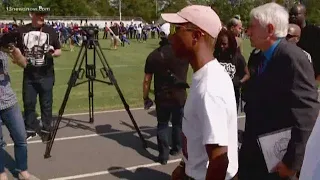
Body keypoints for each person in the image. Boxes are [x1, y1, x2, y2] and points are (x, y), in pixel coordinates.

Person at [239, 3, 319, 180]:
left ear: (269, 29)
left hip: (277, 163)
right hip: (256, 157)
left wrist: (292, 163)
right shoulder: (260, 56)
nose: (247, 31)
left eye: (252, 26)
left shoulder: (292, 58)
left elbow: (306, 113)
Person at [161, 5, 238, 180]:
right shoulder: (206, 76)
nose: (171, 37)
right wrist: (184, 165)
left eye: (177, 29)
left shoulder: (209, 88)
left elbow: (219, 161)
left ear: (196, 36)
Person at [143, 23, 189, 165]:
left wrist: (145, 97)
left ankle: (163, 156)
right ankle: (176, 148)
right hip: (179, 95)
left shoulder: (153, 55)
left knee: (162, 125)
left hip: (162, 96)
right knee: (177, 124)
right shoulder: (183, 53)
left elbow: (146, 80)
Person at [15, 8, 61, 142]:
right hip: (29, 75)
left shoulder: (50, 30)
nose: (42, 17)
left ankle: (46, 129)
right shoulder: (22, 31)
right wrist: (19, 59)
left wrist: (52, 53)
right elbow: (18, 51)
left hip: (46, 74)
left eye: (44, 15)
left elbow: (59, 50)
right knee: (28, 103)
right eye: (39, 14)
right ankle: (30, 129)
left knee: (46, 104)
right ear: (31, 15)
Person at [0, 45, 39, 179]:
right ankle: (1, 173)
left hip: (9, 100)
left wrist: (15, 52)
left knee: (21, 137)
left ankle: (23, 171)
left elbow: (23, 64)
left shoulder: (3, 46)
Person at [214, 28, 249, 111]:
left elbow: (247, 74)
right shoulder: (215, 57)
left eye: (224, 44)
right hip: (217, 97)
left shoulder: (238, 57)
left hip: (233, 97)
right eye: (220, 44)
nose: (222, 46)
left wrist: (239, 82)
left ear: (230, 43)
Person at [289, 4, 320, 83]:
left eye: (296, 14)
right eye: (291, 14)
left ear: (304, 15)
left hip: (311, 74)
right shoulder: (285, 32)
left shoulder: (315, 32)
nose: (292, 17)